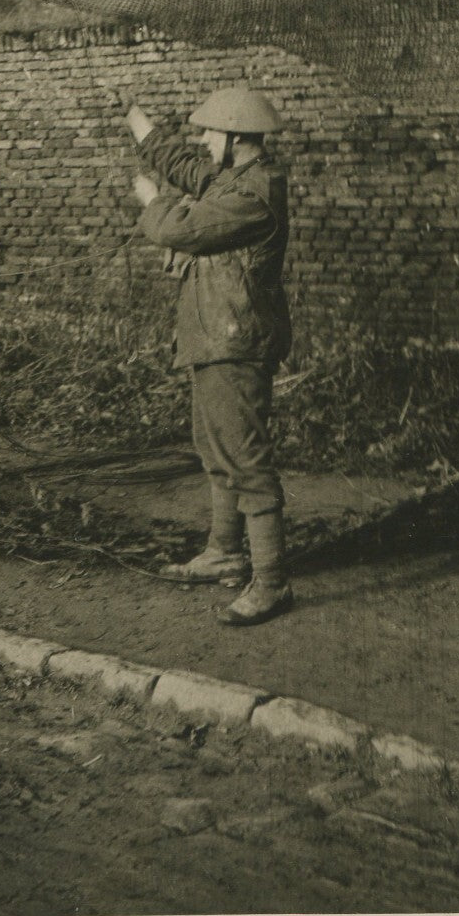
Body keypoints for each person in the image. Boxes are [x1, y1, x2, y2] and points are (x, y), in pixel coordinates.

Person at [124, 85, 294, 627]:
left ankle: (271, 582)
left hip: (236, 340)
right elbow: (187, 167)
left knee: (245, 459)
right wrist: (137, 120)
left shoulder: (253, 195)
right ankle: (224, 552)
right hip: (216, 336)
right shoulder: (234, 178)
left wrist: (152, 200)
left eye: (209, 132)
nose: (202, 140)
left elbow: (180, 229)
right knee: (216, 448)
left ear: (236, 138)